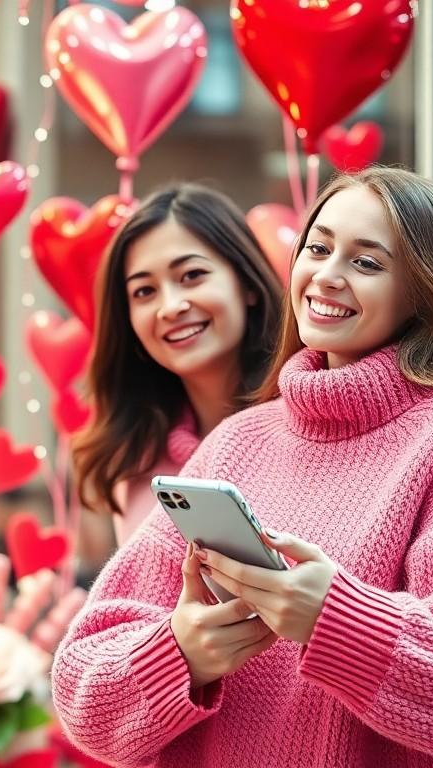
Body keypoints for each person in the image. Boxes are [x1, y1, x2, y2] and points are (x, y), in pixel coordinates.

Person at [53, 168, 433, 767]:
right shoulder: (237, 440)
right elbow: (80, 690)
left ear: (426, 291)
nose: (326, 275)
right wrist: (179, 652)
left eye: (367, 262)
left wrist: (336, 619)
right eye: (318, 248)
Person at [71, 183, 283, 547]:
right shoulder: (135, 459)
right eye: (144, 292)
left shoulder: (311, 429)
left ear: (247, 283)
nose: (170, 307)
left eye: (191, 276)